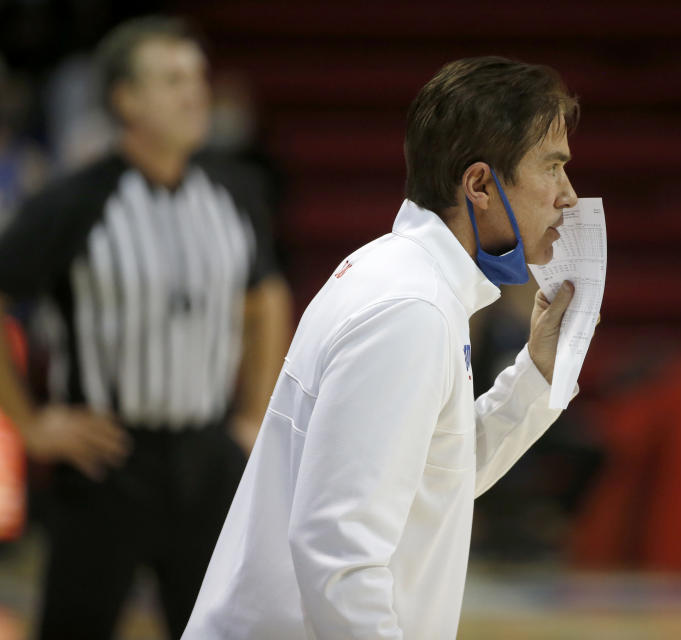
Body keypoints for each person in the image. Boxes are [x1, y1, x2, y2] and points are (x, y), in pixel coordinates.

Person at [183, 56, 582, 639]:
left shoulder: (409, 282)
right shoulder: (409, 310)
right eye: (553, 168)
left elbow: (435, 475)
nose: (568, 196)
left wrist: (538, 371)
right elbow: (338, 553)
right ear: (479, 185)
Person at [0, 16, 291, 639]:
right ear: (125, 99)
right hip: (108, 459)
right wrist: (31, 425)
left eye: (197, 77)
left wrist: (252, 415)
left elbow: (265, 295)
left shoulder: (234, 189)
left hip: (208, 454)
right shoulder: (72, 202)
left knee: (221, 628)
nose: (195, 93)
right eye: (172, 79)